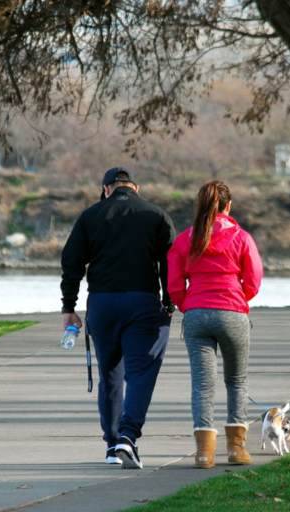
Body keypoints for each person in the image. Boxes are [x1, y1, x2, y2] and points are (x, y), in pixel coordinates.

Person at [60, 167, 176, 469]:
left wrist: (68, 307)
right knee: (140, 373)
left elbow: (71, 263)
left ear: (106, 189)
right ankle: (127, 436)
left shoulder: (90, 216)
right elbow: (170, 262)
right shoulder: (156, 216)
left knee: (109, 375)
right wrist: (169, 301)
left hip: (102, 304)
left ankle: (112, 446)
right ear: (135, 188)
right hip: (143, 301)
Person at [167, 180, 263, 469]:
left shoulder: (185, 239)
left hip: (197, 314)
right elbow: (254, 280)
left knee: (202, 385)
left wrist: (189, 304)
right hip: (232, 312)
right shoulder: (242, 237)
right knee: (236, 381)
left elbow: (173, 285)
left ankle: (204, 454)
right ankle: (236, 449)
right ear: (228, 206)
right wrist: (238, 299)